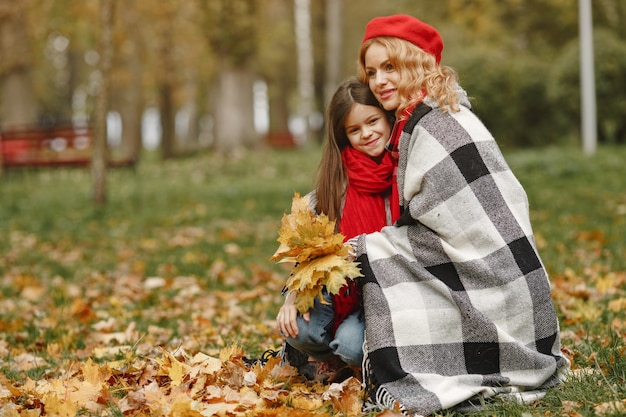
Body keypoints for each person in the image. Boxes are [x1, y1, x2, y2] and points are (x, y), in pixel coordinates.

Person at [349, 14, 570, 415]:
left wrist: (369, 245)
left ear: (415, 64)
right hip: (508, 280)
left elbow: (473, 222)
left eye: (390, 67)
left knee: (377, 253)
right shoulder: (422, 119)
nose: (379, 80)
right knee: (378, 248)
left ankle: (398, 373)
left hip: (500, 279)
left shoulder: (439, 124)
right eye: (372, 71)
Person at [275, 78, 399, 382]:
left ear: (387, 118)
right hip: (339, 293)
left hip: (385, 296)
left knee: (353, 346)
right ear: (343, 136)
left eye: (373, 121)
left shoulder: (404, 172)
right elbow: (308, 249)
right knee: (298, 329)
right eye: (354, 130)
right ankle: (327, 359)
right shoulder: (336, 182)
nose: (367, 133)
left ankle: (351, 359)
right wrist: (291, 299)